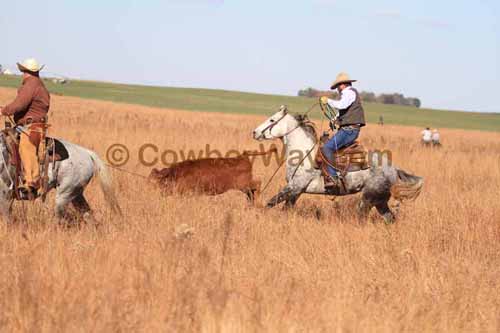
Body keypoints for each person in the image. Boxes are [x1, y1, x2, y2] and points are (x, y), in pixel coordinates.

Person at [0, 58, 50, 198]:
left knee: (25, 146)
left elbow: (19, 104)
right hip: (30, 125)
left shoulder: (31, 85)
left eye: (23, 71)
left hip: (31, 127)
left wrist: (4, 111)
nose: (22, 74)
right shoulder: (37, 84)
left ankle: (31, 183)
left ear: (26, 71)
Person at [319, 72, 366, 188]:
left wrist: (328, 101)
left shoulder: (348, 92)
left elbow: (342, 105)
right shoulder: (349, 93)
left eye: (337, 87)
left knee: (327, 148)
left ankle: (333, 177)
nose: (337, 90)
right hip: (347, 129)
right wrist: (335, 120)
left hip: (348, 131)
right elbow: (342, 112)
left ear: (342, 85)